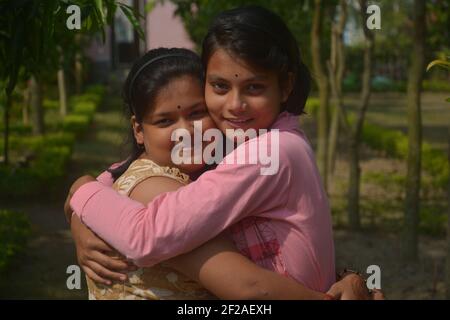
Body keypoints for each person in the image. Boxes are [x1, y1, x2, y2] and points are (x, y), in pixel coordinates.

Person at [66, 6, 382, 300]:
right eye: (219, 87)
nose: (234, 105)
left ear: (285, 86)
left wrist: (81, 193)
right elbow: (120, 173)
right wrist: (80, 200)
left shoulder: (268, 152)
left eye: (254, 88)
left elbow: (147, 236)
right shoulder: (247, 141)